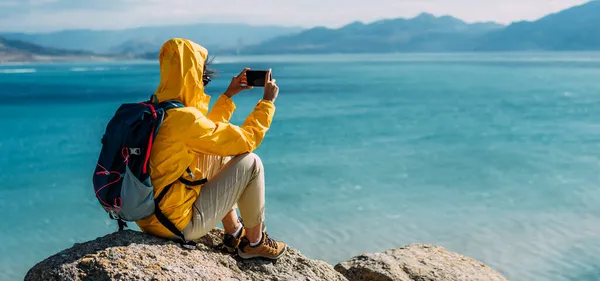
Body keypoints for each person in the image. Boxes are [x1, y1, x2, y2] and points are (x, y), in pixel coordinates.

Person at [135, 38, 287, 260]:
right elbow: (246, 140)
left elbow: (209, 138)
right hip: (175, 224)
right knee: (251, 162)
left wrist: (227, 97)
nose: (205, 77)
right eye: (201, 71)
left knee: (217, 156)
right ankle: (255, 241)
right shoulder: (185, 119)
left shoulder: (159, 111)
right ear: (193, 75)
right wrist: (267, 103)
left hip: (152, 217)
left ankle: (234, 233)